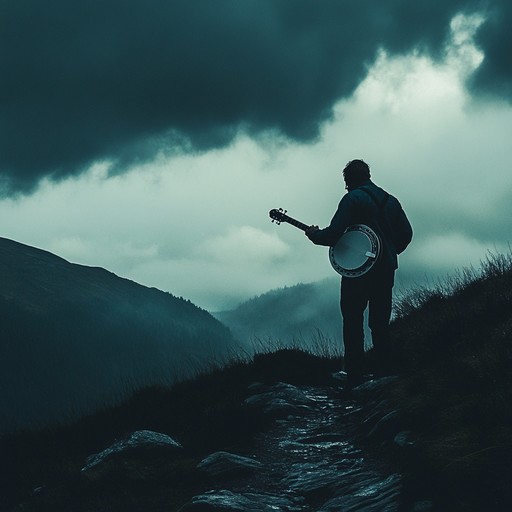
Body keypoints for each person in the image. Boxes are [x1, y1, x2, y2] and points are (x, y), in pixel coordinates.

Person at [305, 159, 412, 387]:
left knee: (353, 320)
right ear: (368, 175)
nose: (346, 186)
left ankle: (355, 373)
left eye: (346, 182)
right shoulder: (390, 200)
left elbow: (334, 234)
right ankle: (384, 371)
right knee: (380, 321)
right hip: (386, 269)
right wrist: (388, 252)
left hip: (358, 273)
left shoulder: (352, 198)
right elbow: (406, 233)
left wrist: (315, 235)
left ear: (349, 179)